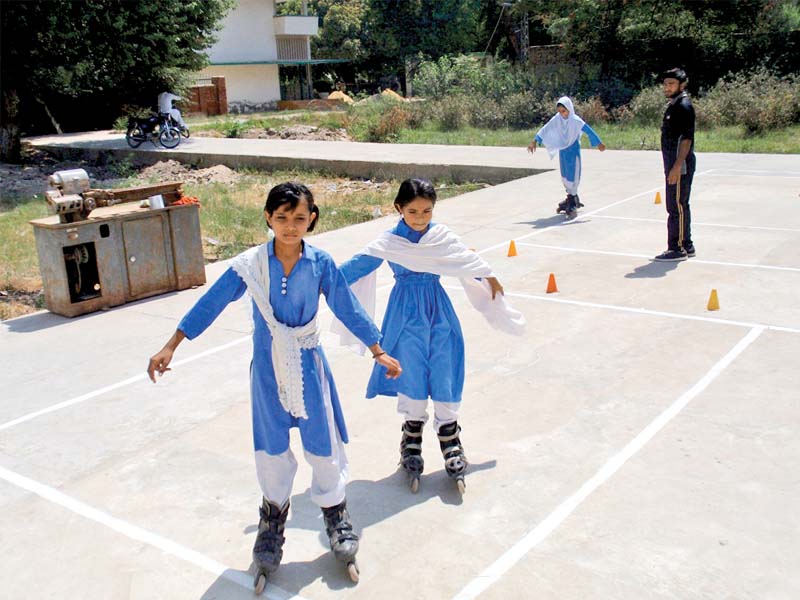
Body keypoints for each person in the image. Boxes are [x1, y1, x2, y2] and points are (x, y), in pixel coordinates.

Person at [146, 182, 401, 590]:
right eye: (281, 217)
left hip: (309, 367)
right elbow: (211, 301)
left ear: (311, 219)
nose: (289, 225)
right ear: (267, 217)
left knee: (322, 446)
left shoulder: (319, 263)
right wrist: (171, 344)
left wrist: (377, 350)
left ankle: (336, 515)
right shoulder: (250, 265)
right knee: (271, 451)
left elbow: (345, 306)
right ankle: (272, 521)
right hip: (267, 373)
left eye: (298, 218)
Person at [334, 178, 525, 495]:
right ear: (399, 208)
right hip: (405, 314)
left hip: (437, 310)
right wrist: (321, 281)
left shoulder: (440, 236)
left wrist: (488, 276)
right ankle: (412, 436)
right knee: (410, 370)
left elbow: (464, 258)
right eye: (413, 211)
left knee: (443, 364)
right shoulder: (390, 241)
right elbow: (358, 265)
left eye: (426, 211)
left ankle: (450, 435)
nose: (420, 217)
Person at [527, 96, 606, 219]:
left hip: (573, 150)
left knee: (573, 174)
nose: (562, 114)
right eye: (559, 111)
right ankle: (571, 198)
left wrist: (598, 143)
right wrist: (535, 141)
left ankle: (573, 202)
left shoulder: (575, 120)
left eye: (564, 111)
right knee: (565, 175)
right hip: (563, 150)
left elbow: (588, 130)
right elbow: (546, 128)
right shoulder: (557, 119)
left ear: (569, 109)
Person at [655, 68, 696, 262]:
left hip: (680, 164)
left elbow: (687, 139)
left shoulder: (684, 106)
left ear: (682, 85)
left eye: (671, 84)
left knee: (675, 206)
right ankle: (686, 244)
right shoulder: (675, 104)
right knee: (680, 205)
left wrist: (677, 166)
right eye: (665, 84)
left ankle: (677, 248)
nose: (667, 87)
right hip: (674, 162)